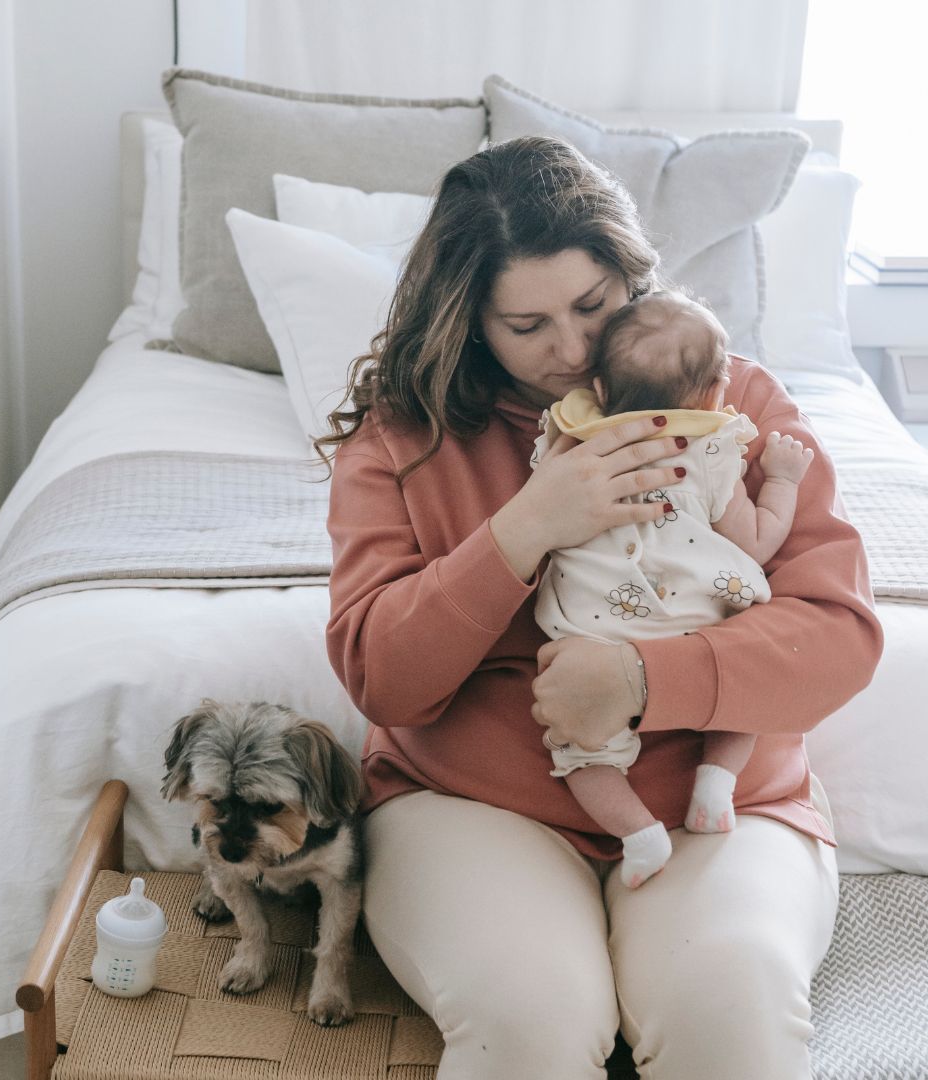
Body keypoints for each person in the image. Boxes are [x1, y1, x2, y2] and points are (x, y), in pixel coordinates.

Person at [318, 135, 882, 1080]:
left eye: (593, 305)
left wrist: (639, 679)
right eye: (526, 325)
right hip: (475, 804)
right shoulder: (406, 438)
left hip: (719, 800)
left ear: (631, 271)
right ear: (470, 323)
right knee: (528, 1021)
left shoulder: (729, 400)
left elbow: (839, 637)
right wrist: (524, 529)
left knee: (728, 1011)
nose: (574, 352)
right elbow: (382, 677)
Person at [532, 290, 816, 889]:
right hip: (696, 623)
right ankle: (715, 784)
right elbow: (756, 542)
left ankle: (639, 835)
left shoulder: (572, 444)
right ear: (714, 395)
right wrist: (784, 481)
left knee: (582, 754)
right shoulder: (712, 451)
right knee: (748, 687)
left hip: (593, 637)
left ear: (599, 390)